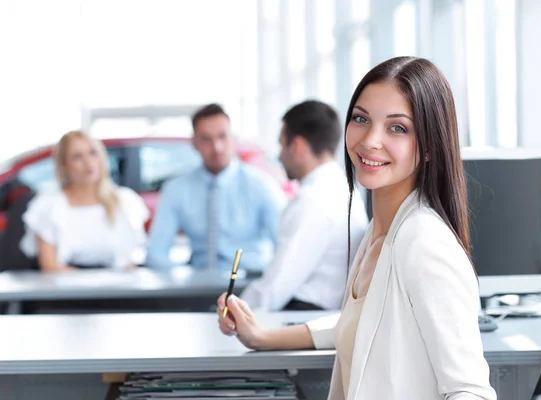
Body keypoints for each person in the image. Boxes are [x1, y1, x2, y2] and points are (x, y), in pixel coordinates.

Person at [217, 57, 496, 399]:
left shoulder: (425, 245)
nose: (369, 140)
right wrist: (261, 337)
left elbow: (471, 391)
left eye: (397, 128)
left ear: (429, 147)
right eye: (361, 119)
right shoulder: (379, 235)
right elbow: (360, 325)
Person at [240, 100, 368, 311]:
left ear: (297, 146)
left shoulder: (313, 200)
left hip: (304, 313)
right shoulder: (344, 188)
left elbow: (276, 287)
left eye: (282, 145)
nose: (280, 155)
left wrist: (233, 312)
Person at [146, 104, 286, 271]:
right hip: (197, 285)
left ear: (234, 139)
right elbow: (156, 253)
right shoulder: (176, 189)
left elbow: (285, 248)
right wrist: (182, 277)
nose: (217, 147)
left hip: (248, 284)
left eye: (222, 137)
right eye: (206, 139)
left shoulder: (262, 185)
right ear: (194, 143)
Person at [20, 131, 149, 272]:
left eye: (93, 153)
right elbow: (50, 266)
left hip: (116, 286)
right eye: (77, 157)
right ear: (64, 165)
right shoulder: (49, 205)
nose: (88, 163)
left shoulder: (124, 201)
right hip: (68, 288)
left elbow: (130, 260)